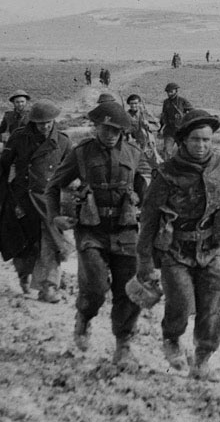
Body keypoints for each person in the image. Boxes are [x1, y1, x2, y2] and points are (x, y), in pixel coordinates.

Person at [136, 109, 220, 380]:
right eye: (196, 140)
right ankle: (171, 338)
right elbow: (148, 219)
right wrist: (145, 263)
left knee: (215, 304)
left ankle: (202, 358)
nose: (202, 146)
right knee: (181, 303)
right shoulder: (167, 173)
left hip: (212, 247)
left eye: (207, 140)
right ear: (183, 141)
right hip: (176, 250)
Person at [46, 101, 151, 365]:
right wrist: (55, 216)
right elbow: (53, 186)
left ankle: (123, 343)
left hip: (125, 228)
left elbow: (145, 186)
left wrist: (146, 209)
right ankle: (84, 317)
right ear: (96, 126)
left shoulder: (134, 153)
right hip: (92, 229)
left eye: (116, 130)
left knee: (129, 288)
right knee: (95, 286)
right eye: (106, 128)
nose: (111, 134)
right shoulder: (81, 153)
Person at [0, 101, 72, 302]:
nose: (45, 127)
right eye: (40, 124)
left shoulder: (63, 141)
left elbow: (72, 170)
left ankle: (48, 287)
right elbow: (2, 168)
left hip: (50, 201)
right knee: (26, 245)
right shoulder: (19, 138)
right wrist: (3, 197)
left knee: (51, 243)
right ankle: (24, 274)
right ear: (33, 123)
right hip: (23, 199)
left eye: (48, 122)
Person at [126, 94, 162, 169]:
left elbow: (157, 126)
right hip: (135, 144)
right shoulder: (127, 115)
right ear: (129, 104)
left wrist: (148, 125)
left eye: (135, 103)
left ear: (139, 104)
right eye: (131, 103)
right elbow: (125, 129)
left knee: (153, 164)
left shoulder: (145, 113)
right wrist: (128, 134)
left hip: (148, 144)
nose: (133, 105)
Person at [159, 82, 193, 160]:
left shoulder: (182, 101)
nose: (169, 93)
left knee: (183, 151)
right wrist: (160, 128)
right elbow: (163, 115)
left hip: (180, 130)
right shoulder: (166, 102)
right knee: (167, 151)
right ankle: (167, 168)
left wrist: (186, 120)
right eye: (168, 91)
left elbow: (192, 111)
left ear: (176, 91)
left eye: (171, 91)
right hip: (169, 130)